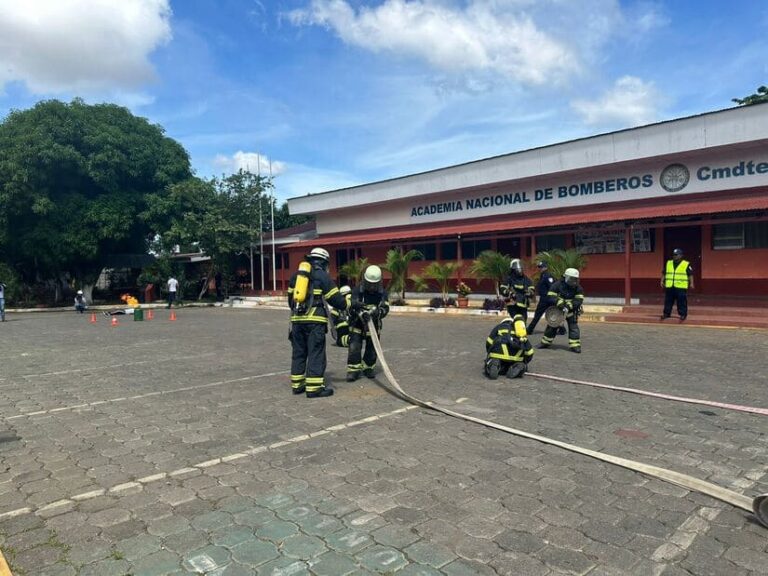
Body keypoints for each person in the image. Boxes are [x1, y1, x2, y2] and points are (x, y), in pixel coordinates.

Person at [287, 247, 349, 398]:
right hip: (315, 323)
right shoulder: (322, 276)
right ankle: (314, 388)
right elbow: (336, 300)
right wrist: (348, 303)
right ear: (324, 262)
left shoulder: (295, 276)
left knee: (299, 353)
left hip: (296, 321)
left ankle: (297, 384)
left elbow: (290, 301)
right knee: (316, 353)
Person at [346, 265, 390, 381]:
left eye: (374, 284)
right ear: (364, 280)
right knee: (354, 346)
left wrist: (378, 312)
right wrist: (359, 311)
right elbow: (351, 306)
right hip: (357, 323)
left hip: (374, 325)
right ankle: (353, 370)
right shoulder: (357, 290)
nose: (371, 287)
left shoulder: (382, 293)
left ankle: (368, 368)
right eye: (369, 283)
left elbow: (385, 308)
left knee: (372, 347)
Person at [539, 268, 585, 353]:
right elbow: (550, 295)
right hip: (558, 311)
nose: (574, 281)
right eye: (572, 278)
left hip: (571, 311)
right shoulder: (557, 285)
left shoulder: (578, 288)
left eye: (575, 279)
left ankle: (575, 345)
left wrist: (570, 305)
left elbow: (579, 299)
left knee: (573, 327)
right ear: (566, 277)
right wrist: (559, 303)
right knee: (552, 326)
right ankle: (545, 343)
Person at [484, 315, 534, 380]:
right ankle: (519, 365)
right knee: (518, 364)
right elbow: (529, 352)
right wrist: (525, 361)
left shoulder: (499, 327)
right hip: (516, 358)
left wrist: (490, 354)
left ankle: (493, 363)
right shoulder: (521, 332)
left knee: (495, 361)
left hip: (498, 355)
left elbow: (489, 342)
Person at [661, 248, 694, 322]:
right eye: (673, 255)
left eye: (676, 255)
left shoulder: (686, 264)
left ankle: (683, 314)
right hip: (670, 285)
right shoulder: (669, 263)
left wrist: (691, 283)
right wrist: (662, 280)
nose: (674, 256)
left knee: (681, 301)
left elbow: (690, 274)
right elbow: (664, 272)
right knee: (668, 301)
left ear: (681, 255)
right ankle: (666, 313)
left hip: (681, 286)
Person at [527, 261, 555, 334]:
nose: (540, 269)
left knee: (539, 314)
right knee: (551, 314)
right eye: (539, 267)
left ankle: (530, 329)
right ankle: (562, 329)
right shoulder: (542, 276)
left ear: (545, 267)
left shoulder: (548, 276)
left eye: (541, 267)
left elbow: (551, 287)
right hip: (544, 298)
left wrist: (550, 298)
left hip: (547, 299)